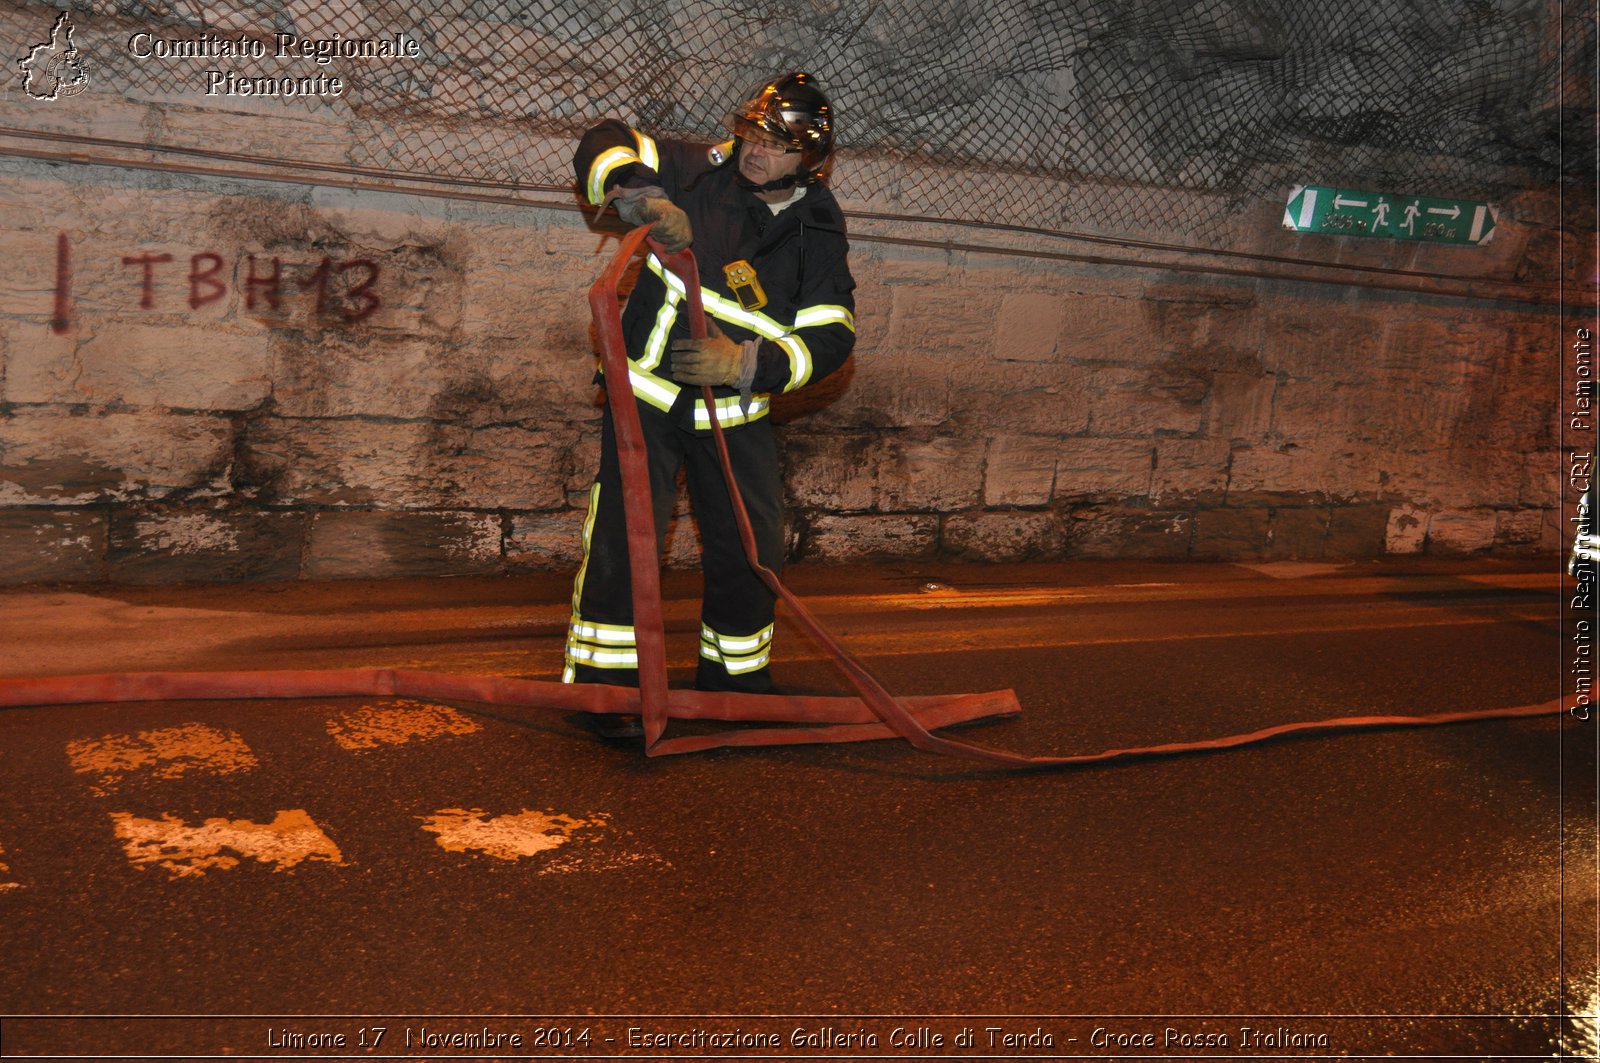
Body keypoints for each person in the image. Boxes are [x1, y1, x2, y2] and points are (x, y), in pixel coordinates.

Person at [565, 72, 857, 736]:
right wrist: (637, 195)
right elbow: (603, 141)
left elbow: (832, 334)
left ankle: (736, 685)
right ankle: (607, 694)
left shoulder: (818, 225)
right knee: (627, 537)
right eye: (753, 132)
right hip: (647, 395)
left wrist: (748, 363)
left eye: (778, 144)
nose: (756, 151)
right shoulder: (697, 169)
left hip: (734, 408)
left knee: (752, 551)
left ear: (809, 160)